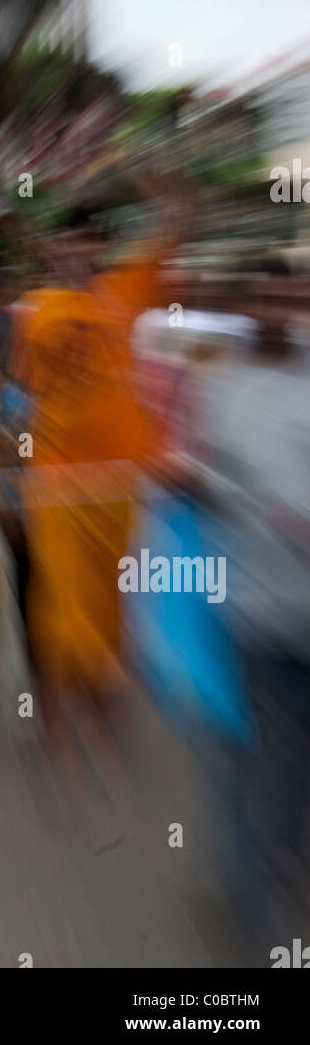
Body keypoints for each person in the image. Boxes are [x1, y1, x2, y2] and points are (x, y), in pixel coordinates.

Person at [12, 204, 164, 773]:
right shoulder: (37, 308)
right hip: (54, 484)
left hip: (119, 484)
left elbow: (179, 217)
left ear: (99, 248)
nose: (75, 254)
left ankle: (103, 729)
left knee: (113, 614)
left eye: (86, 244)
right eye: (66, 245)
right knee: (62, 609)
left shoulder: (127, 291)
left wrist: (141, 177)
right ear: (56, 252)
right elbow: (23, 391)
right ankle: (57, 737)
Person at [190, 261, 310, 937]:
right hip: (251, 610)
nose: (282, 310)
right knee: (245, 756)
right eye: (269, 297)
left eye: (296, 298)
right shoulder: (223, 384)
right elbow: (203, 470)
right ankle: (250, 903)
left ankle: (273, 867)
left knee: (294, 765)